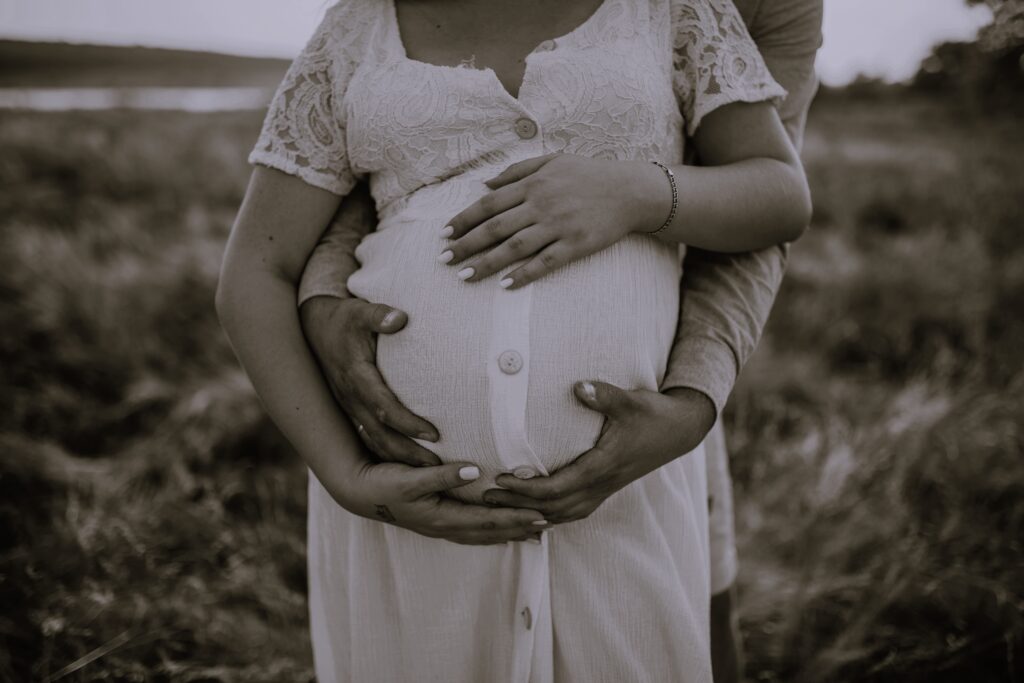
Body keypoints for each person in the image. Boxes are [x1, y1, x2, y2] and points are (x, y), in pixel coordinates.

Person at [216, 0, 819, 680]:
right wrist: (347, 476)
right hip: (410, 521)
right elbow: (255, 272)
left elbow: (779, 194)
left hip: (623, 495)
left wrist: (640, 193)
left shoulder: (676, 12)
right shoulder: (358, 30)